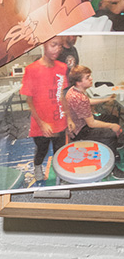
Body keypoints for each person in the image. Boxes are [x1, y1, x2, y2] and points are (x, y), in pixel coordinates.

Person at [20, 35, 75, 182]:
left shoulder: (62, 68)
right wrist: (41, 123)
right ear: (43, 44)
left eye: (60, 46)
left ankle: (60, 176)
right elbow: (29, 100)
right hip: (41, 123)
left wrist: (68, 117)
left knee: (60, 151)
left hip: (59, 120)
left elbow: (61, 95)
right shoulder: (32, 69)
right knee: (42, 150)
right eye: (53, 44)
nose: (57, 49)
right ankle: (37, 167)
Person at [65, 65, 124, 178]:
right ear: (79, 82)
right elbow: (91, 123)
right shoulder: (79, 97)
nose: (91, 78)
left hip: (82, 123)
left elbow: (88, 101)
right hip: (81, 130)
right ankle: (111, 168)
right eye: (87, 77)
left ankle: (117, 145)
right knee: (110, 133)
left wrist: (105, 99)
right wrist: (112, 126)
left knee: (112, 118)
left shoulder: (74, 90)